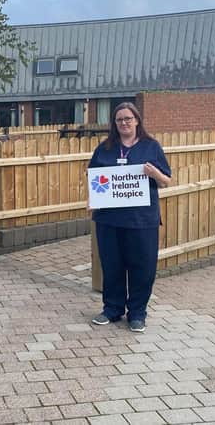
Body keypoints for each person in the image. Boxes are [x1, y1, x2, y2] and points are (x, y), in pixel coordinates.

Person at [88, 102, 171, 333]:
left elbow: (167, 180)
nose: (124, 123)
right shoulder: (105, 148)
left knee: (142, 267)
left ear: (136, 120)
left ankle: (137, 312)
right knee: (112, 266)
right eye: (119, 120)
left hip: (142, 220)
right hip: (109, 219)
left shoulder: (151, 147)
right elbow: (94, 177)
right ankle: (112, 309)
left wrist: (155, 173)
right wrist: (92, 199)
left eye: (128, 118)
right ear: (114, 124)